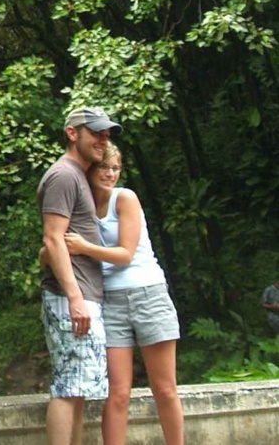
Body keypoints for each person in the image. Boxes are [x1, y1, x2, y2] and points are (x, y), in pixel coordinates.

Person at [64, 142, 184, 445]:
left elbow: (125, 254)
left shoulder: (125, 198)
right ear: (90, 169)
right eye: (104, 167)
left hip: (147, 293)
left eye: (115, 168)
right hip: (111, 302)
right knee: (117, 393)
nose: (110, 173)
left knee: (165, 389)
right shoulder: (83, 205)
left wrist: (83, 247)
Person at [38, 105, 119, 445]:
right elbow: (53, 238)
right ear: (73, 133)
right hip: (72, 297)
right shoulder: (64, 175)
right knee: (68, 388)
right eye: (96, 132)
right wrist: (74, 298)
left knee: (78, 389)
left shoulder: (77, 176)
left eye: (106, 132)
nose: (103, 138)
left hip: (83, 296)